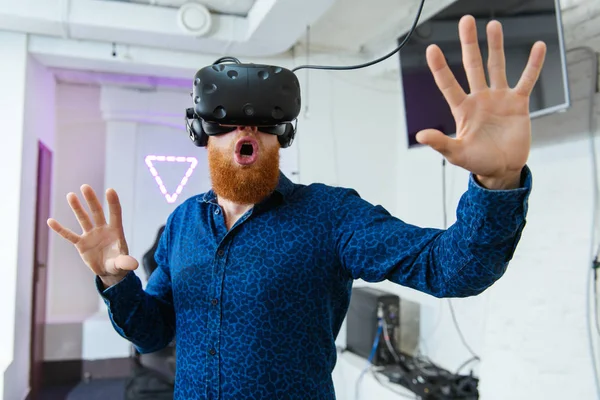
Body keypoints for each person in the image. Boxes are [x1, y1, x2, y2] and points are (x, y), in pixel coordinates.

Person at [48, 16, 546, 400]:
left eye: (263, 122)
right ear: (203, 136)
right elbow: (152, 331)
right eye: (229, 123)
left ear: (282, 135)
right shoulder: (183, 223)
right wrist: (116, 283)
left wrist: (496, 182)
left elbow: (453, 269)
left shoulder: (331, 217)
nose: (247, 132)